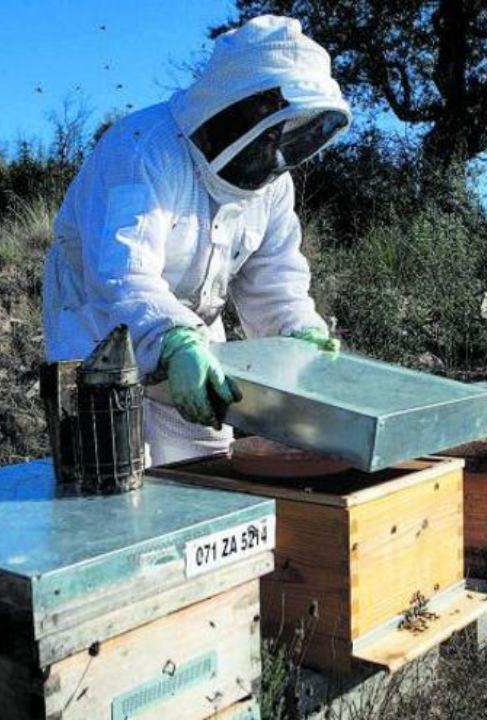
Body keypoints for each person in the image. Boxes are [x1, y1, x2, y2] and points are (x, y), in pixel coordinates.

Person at [42, 15, 350, 466]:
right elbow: (123, 274)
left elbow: (274, 278)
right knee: (112, 472)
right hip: (97, 322)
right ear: (236, 103)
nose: (271, 147)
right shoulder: (142, 149)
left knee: (204, 465)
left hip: (192, 328)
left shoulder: (272, 185)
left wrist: (297, 330)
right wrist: (175, 340)